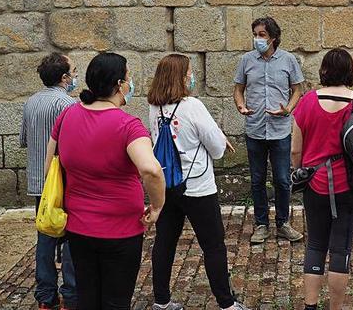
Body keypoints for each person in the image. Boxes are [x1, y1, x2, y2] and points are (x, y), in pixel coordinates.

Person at [44, 52, 165, 310]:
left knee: (88, 298)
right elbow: (151, 170)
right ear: (120, 85)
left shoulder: (67, 116)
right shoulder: (128, 125)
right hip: (121, 231)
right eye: (129, 78)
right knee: (116, 302)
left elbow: (49, 168)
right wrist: (156, 207)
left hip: (78, 227)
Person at [146, 54, 250, 310]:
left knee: (165, 242)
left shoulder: (154, 107)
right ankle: (226, 303)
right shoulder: (192, 105)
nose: (191, 77)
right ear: (181, 77)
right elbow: (215, 149)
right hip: (198, 187)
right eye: (189, 73)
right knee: (213, 245)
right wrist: (217, 139)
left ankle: (161, 300)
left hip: (167, 183)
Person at [291, 49, 353, 310]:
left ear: (324, 71)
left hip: (315, 183)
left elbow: (296, 149)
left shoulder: (307, 102)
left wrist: (301, 174)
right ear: (351, 71)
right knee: (341, 249)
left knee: (316, 244)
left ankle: (310, 305)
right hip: (352, 186)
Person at [233, 17, 305, 244]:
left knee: (283, 179)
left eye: (262, 35)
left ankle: (283, 223)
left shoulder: (288, 60)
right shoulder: (246, 60)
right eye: (255, 34)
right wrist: (240, 105)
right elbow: (238, 89)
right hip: (254, 129)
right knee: (256, 179)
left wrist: (289, 109)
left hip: (280, 130)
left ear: (273, 37)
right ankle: (261, 224)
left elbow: (297, 90)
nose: (257, 39)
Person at [21, 53, 78, 310]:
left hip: (37, 180)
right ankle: (70, 292)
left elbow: (24, 139)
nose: (75, 76)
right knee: (69, 239)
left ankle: (45, 295)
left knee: (45, 237)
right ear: (64, 77)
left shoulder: (31, 102)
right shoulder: (66, 104)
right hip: (61, 180)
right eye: (73, 71)